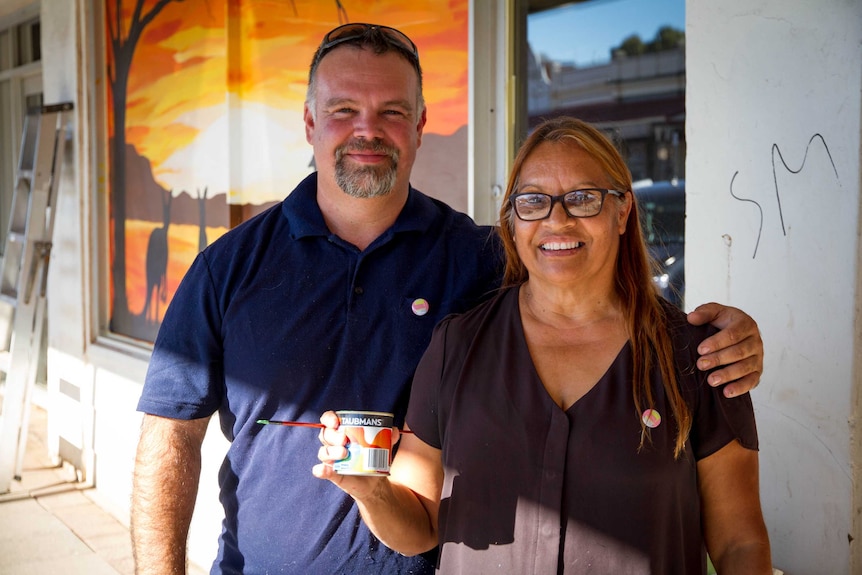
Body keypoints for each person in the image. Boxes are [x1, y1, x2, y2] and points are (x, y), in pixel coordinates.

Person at [131, 23, 765, 575]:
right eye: (344, 109)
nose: (367, 131)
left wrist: (724, 335)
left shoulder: (481, 258)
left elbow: (582, 287)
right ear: (309, 122)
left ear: (421, 125)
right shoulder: (228, 268)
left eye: (392, 112)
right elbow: (170, 439)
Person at [314, 116, 772, 574]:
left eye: (583, 198)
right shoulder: (457, 345)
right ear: (513, 220)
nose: (557, 219)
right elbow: (420, 528)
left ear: (622, 211)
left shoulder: (698, 356)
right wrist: (371, 492)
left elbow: (739, 544)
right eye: (533, 201)